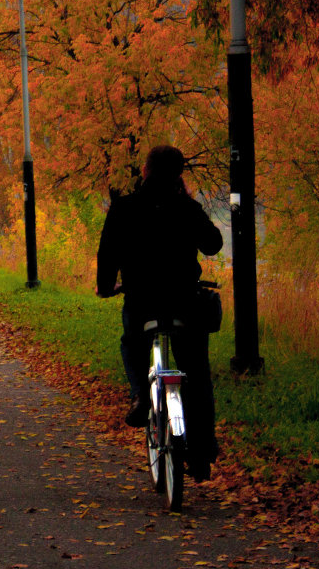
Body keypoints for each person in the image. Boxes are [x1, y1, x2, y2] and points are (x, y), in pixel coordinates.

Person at [96, 145, 224, 482]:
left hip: (142, 299)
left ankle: (141, 394)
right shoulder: (187, 207)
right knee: (196, 370)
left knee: (132, 343)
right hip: (184, 300)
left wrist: (106, 285)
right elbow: (213, 244)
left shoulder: (124, 208)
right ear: (178, 173)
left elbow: (107, 251)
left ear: (145, 171)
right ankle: (202, 450)